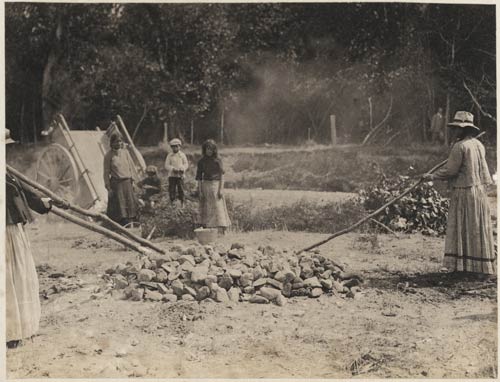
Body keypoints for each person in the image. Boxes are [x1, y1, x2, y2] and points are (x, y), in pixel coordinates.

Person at [423, 111, 496, 276]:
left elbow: (451, 171)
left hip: (464, 192)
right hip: (479, 192)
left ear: (465, 130)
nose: (455, 131)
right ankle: (477, 267)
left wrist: (431, 176)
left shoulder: (460, 146)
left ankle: (464, 267)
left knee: (463, 227)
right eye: (454, 128)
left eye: (458, 128)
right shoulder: (478, 145)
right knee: (475, 228)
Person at [6, 129, 53, 349]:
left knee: (15, 279)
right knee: (12, 278)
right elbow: (24, 192)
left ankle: (15, 330)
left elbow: (25, 191)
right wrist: (43, 204)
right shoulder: (5, 175)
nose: (6, 151)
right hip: (7, 234)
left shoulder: (7, 172)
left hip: (11, 230)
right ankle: (11, 332)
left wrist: (45, 203)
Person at [196, 139, 231, 233]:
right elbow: (199, 178)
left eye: (211, 149)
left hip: (216, 185)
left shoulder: (218, 160)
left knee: (218, 206)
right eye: (207, 149)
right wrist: (199, 191)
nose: (209, 151)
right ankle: (208, 230)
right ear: (204, 149)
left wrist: (221, 189)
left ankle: (223, 229)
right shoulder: (201, 162)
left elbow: (222, 175)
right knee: (207, 207)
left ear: (214, 150)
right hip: (205, 185)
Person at [103, 134, 138, 225]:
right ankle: (119, 224)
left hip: (127, 182)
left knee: (130, 203)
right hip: (116, 184)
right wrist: (108, 188)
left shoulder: (126, 152)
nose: (118, 143)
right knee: (118, 206)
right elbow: (106, 173)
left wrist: (133, 181)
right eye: (116, 141)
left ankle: (131, 222)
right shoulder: (108, 156)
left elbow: (131, 167)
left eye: (120, 141)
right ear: (112, 143)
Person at [164, 138, 188, 207]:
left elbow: (186, 164)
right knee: (172, 189)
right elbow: (166, 165)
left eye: (176, 146)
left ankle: (182, 202)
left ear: (179, 147)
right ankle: (172, 202)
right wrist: (172, 168)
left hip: (180, 175)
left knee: (181, 189)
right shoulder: (169, 155)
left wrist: (182, 168)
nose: (175, 148)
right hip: (172, 175)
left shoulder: (182, 155)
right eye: (173, 147)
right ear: (171, 147)